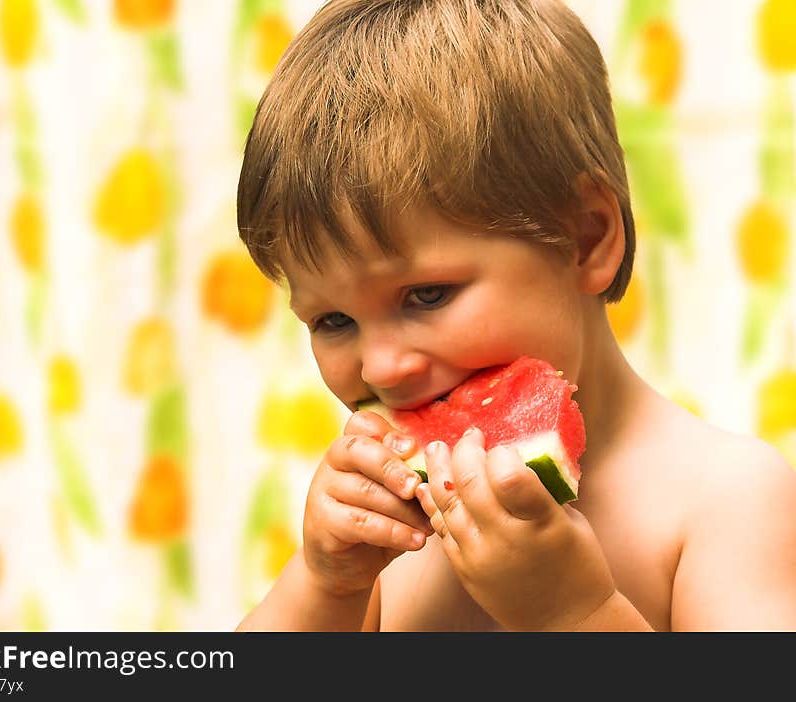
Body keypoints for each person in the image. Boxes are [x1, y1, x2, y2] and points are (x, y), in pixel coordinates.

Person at [233, 0, 796, 631]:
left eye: (426, 295)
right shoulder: (386, 533)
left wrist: (574, 613)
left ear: (584, 238)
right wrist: (322, 584)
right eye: (333, 321)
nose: (383, 368)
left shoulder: (729, 501)